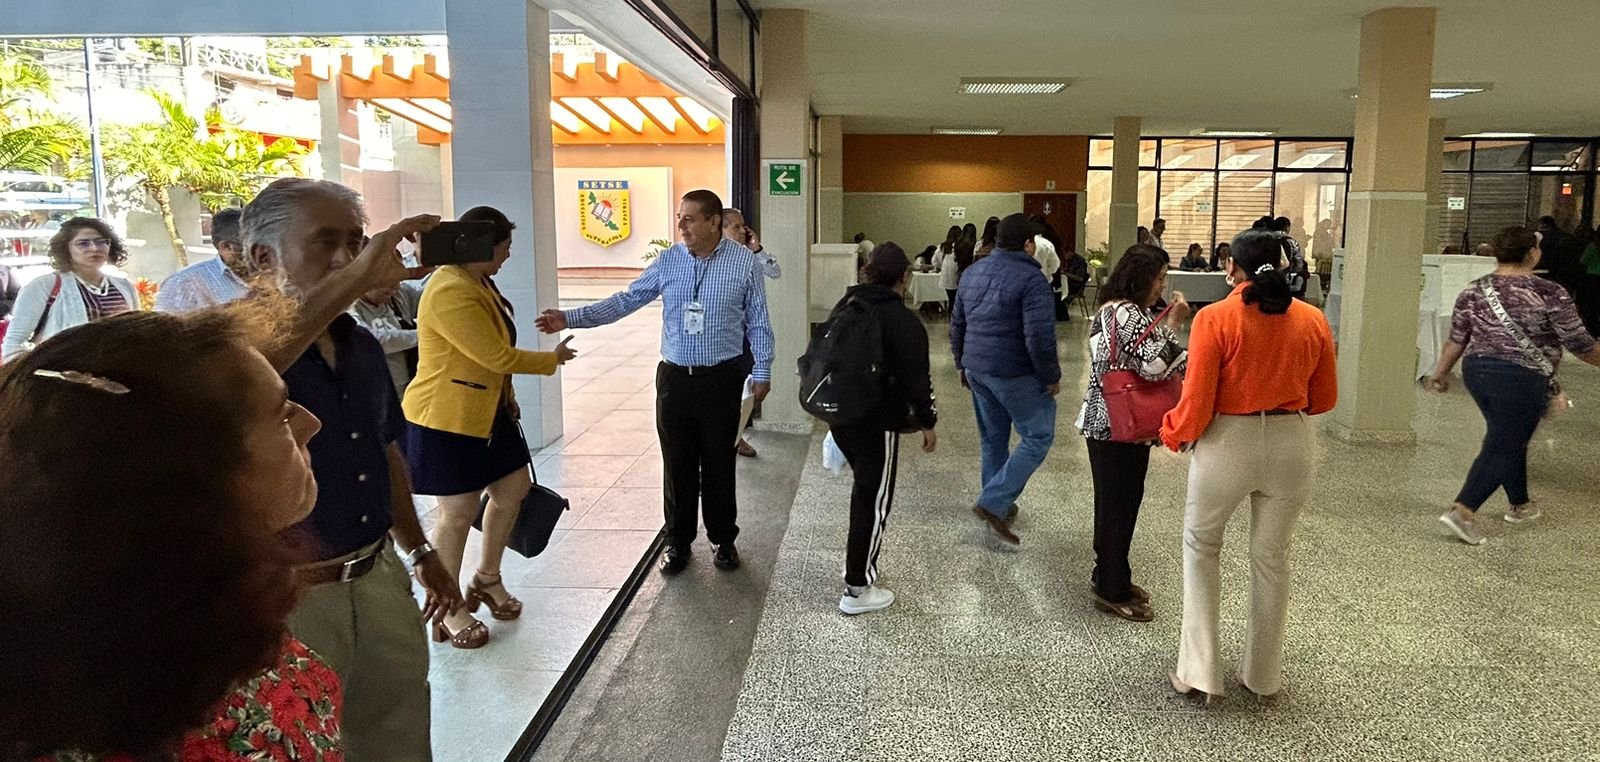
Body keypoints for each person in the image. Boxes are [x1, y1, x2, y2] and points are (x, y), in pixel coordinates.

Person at [0, 307, 340, 760]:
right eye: (280, 416)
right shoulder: (159, 702)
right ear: (190, 476)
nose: (311, 424)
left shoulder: (196, 602)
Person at [240, 178, 455, 761]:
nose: (346, 259)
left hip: (376, 571)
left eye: (357, 243)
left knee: (397, 728)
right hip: (286, 596)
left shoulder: (358, 345)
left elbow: (383, 450)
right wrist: (357, 278)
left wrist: (420, 550)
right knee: (296, 743)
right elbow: (249, 369)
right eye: (324, 241)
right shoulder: (234, 349)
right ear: (263, 257)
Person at [537, 190, 774, 575]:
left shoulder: (744, 263)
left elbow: (759, 322)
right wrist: (571, 317)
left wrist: (762, 369)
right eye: (679, 217)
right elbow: (626, 300)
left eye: (689, 219)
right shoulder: (669, 261)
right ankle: (678, 542)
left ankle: (723, 539)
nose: (681, 226)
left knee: (719, 463)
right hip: (675, 380)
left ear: (713, 222)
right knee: (677, 465)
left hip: (721, 379)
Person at [1159, 229, 1338, 701]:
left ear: (1231, 267)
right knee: (1272, 558)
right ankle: (1262, 676)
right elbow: (1324, 398)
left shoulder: (1215, 317)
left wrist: (1173, 432)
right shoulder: (1313, 318)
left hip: (1228, 441)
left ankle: (1199, 673)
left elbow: (1197, 400)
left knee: (1202, 547)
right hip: (1292, 442)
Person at [402, 205, 578, 649]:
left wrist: (509, 396)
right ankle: (448, 608)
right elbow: (494, 356)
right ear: (482, 245)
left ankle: (487, 578)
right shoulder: (449, 288)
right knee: (458, 513)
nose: (508, 255)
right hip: (449, 418)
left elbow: (494, 354)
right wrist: (551, 360)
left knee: (513, 489)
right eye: (505, 247)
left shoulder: (478, 281)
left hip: (490, 413)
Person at [1426, 227, 1600, 545]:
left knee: (1506, 436)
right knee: (1505, 444)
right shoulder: (1549, 292)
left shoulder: (1474, 290)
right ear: (1532, 254)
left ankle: (1519, 504)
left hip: (1478, 373)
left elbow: (1457, 339)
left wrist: (1440, 372)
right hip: (1521, 377)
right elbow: (1580, 344)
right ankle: (1463, 510)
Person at [1077, 245, 1190, 622]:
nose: (1162, 286)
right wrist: (1174, 324)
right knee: (1119, 507)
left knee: (1116, 503)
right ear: (1140, 277)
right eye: (1159, 278)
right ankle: (1112, 589)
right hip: (1118, 424)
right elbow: (1154, 366)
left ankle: (1111, 575)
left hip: (1109, 421)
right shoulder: (1126, 312)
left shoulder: (1113, 309)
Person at [827, 243, 938, 616]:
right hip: (877, 423)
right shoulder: (903, 321)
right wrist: (927, 422)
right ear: (904, 277)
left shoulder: (848, 304)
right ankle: (857, 588)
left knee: (863, 493)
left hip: (841, 416)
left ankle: (855, 565)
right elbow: (917, 380)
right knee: (872, 502)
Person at [951, 213, 1060, 545]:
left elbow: (957, 323)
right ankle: (993, 500)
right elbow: (1039, 338)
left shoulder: (972, 272)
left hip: (977, 370)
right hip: (1014, 371)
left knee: (993, 439)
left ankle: (998, 503)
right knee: (1038, 436)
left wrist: (960, 364)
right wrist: (1050, 376)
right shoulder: (1032, 280)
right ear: (1028, 245)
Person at [2, 217, 138, 362]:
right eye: (83, 243)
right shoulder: (43, 285)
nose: (94, 248)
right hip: (63, 371)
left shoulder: (125, 286)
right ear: (65, 248)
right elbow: (14, 342)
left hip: (121, 369)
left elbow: (137, 331)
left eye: (101, 242)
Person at [723, 207, 775, 458]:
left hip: (747, 334)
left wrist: (757, 249)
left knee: (742, 389)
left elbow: (775, 272)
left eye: (743, 226)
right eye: (736, 227)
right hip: (722, 337)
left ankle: (737, 435)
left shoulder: (748, 257)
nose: (743, 231)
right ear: (720, 229)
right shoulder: (710, 259)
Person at [155, 207, 251, 312]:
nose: (261, 253)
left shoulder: (264, 275)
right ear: (226, 247)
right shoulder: (182, 283)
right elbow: (165, 322)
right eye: (254, 247)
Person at [351, 278, 424, 396]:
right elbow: (371, 340)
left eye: (396, 284)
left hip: (411, 379)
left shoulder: (398, 295)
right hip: (379, 386)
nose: (393, 290)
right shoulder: (350, 308)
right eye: (387, 287)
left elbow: (430, 294)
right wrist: (422, 335)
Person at [936, 225, 964, 308]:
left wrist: (941, 266)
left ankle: (950, 314)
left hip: (945, 277)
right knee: (955, 301)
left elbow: (935, 261)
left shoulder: (942, 246)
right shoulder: (960, 247)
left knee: (951, 299)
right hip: (956, 276)